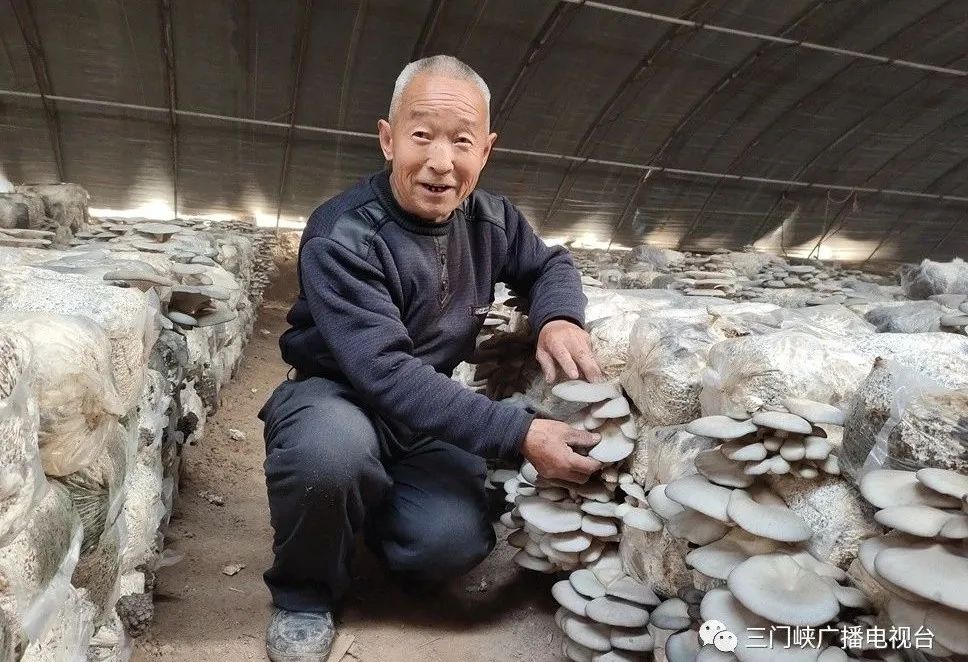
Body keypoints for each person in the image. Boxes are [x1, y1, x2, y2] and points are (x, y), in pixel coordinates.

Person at [258, 54, 603, 661]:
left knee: (448, 547)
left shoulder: (492, 220)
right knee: (327, 458)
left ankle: (363, 514)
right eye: (421, 135)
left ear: (486, 150)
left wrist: (558, 316)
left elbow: (550, 263)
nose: (441, 163)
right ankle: (305, 592)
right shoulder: (344, 233)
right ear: (388, 140)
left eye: (461, 141)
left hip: (422, 410)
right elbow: (384, 371)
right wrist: (518, 434)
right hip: (337, 394)